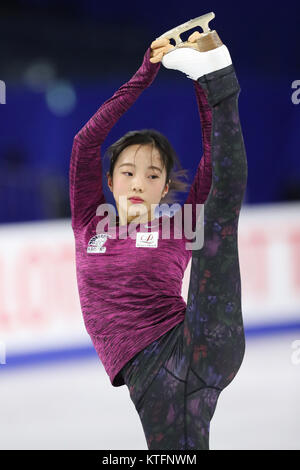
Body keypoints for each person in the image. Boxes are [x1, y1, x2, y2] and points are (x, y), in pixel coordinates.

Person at [69, 30, 248, 450]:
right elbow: (85, 143)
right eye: (128, 171)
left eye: (152, 175)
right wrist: (144, 73)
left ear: (165, 187)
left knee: (218, 212)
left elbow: (213, 157)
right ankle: (215, 73)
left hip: (198, 341)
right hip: (153, 379)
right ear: (109, 180)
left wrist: (203, 90)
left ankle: (217, 75)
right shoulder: (88, 225)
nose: (138, 182)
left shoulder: (177, 224)